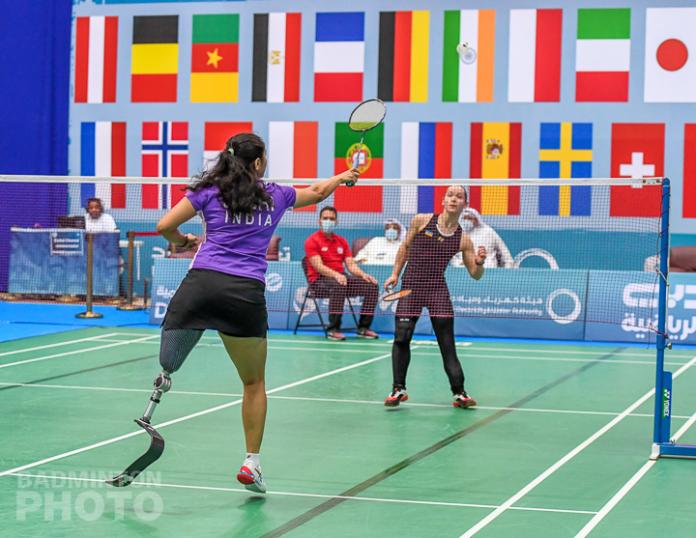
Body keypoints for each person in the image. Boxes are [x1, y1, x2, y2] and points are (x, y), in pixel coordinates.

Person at [136, 133, 359, 494]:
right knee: (253, 383)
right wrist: (341, 177)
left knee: (170, 361)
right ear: (257, 163)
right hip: (243, 295)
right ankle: (251, 463)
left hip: (200, 288)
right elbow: (317, 192)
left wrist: (183, 242)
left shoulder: (208, 190)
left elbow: (164, 227)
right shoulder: (277, 194)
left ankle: (165, 376)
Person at [383, 185, 487, 409]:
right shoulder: (421, 220)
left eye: (459, 196)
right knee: (402, 336)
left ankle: (459, 393)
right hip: (411, 287)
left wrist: (480, 264)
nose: (453, 199)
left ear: (464, 204)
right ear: (443, 200)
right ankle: (398, 388)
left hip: (437, 289)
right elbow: (405, 247)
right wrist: (394, 274)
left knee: (446, 343)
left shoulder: (463, 239)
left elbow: (475, 275)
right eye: (450, 195)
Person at [305, 206, 380, 341]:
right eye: (325, 218)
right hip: (319, 282)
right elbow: (318, 266)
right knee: (338, 285)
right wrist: (336, 275)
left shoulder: (341, 241)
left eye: (332, 219)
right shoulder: (312, 240)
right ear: (319, 221)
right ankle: (333, 329)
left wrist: (364, 275)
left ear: (337, 222)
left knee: (371, 286)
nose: (329, 221)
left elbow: (350, 264)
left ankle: (363, 328)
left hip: (341, 279)